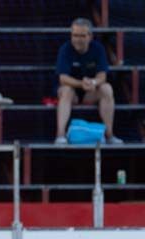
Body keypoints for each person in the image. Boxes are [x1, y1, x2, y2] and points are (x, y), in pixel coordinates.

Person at [54, 18, 121, 146]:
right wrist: (81, 83)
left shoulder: (98, 49)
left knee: (107, 88)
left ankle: (109, 135)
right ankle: (60, 135)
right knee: (66, 90)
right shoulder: (65, 49)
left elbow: (102, 76)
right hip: (71, 92)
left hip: (90, 91)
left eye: (82, 36)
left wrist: (93, 82)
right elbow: (63, 78)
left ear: (90, 36)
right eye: (75, 35)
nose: (77, 39)